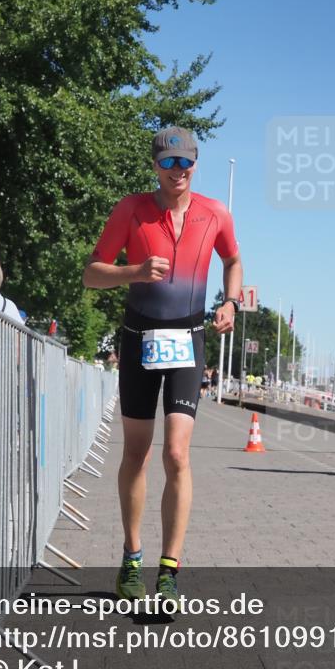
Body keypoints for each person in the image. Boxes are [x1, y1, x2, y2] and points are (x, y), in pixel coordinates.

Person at [83, 126, 242, 606]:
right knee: (137, 453)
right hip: (138, 339)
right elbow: (92, 274)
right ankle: (132, 557)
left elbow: (233, 260)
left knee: (177, 453)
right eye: (169, 163)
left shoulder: (215, 213)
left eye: (185, 162)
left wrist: (231, 302)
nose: (178, 171)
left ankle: (169, 570)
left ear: (195, 164)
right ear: (155, 165)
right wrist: (134, 271)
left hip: (188, 339)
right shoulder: (131, 209)